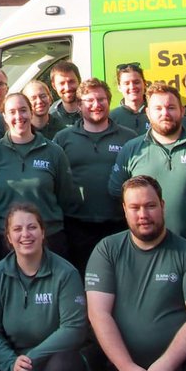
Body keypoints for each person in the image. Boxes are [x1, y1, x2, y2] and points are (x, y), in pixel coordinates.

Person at [86, 176, 186, 371]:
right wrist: (128, 369)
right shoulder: (107, 250)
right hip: (127, 364)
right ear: (124, 209)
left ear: (162, 206)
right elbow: (99, 314)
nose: (143, 215)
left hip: (181, 361)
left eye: (150, 206)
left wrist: (166, 364)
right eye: (135, 207)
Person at [0, 203, 91, 371]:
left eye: (32, 227)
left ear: (43, 232)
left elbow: (74, 328)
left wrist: (33, 359)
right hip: (16, 361)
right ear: (8, 237)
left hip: (56, 359)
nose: (25, 234)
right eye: (17, 229)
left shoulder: (65, 273)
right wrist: (12, 363)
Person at [0, 92, 78, 257]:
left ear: (31, 112)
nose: (19, 116)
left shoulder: (53, 152)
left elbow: (66, 198)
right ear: (4, 116)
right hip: (7, 241)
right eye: (12, 112)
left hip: (50, 238)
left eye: (23, 110)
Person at [54, 78, 136, 273]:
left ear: (109, 101)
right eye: (89, 101)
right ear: (80, 105)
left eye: (101, 99)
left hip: (119, 223)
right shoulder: (63, 139)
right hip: (77, 225)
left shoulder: (129, 137)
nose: (96, 105)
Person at [109, 83, 186, 247]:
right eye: (158, 108)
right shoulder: (132, 149)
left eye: (171, 107)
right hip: (147, 249)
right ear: (147, 112)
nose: (165, 113)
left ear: (182, 110)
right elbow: (117, 191)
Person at [109, 64, 148, 134]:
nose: (132, 87)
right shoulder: (111, 117)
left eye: (136, 82)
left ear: (144, 84)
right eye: (126, 83)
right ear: (119, 87)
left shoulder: (156, 113)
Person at [47, 62, 82, 131]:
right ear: (54, 86)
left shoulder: (92, 110)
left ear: (79, 81)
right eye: (62, 83)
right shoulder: (51, 116)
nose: (67, 88)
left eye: (71, 81)